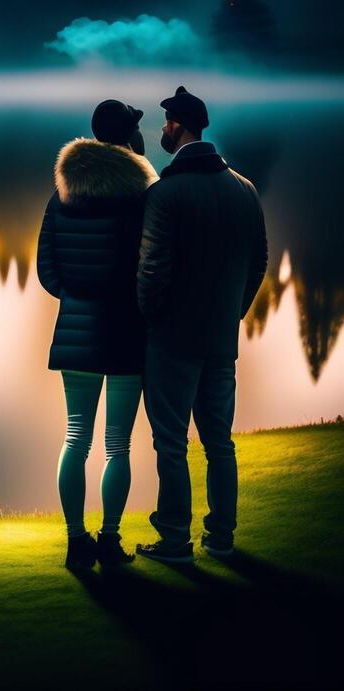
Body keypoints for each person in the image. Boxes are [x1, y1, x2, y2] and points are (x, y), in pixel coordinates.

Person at [136, 86, 267, 563]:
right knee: (219, 442)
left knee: (171, 443)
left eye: (167, 122)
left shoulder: (166, 192)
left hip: (172, 339)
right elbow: (259, 264)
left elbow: (151, 270)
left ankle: (174, 539)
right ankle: (222, 537)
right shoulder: (245, 189)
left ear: (180, 126)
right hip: (220, 338)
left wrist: (154, 320)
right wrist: (234, 312)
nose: (163, 128)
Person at [37, 99, 158, 570]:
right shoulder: (142, 198)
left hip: (77, 331)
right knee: (118, 445)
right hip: (128, 331)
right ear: (130, 141)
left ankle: (74, 541)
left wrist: (77, 297)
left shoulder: (61, 196)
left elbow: (47, 271)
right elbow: (148, 268)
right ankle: (109, 540)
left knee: (75, 438)